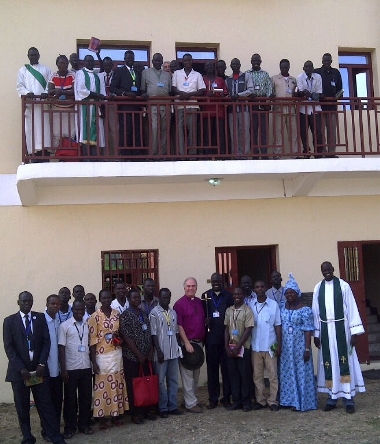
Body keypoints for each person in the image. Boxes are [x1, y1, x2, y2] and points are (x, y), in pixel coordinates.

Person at [3, 291, 67, 444]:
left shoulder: (39, 318)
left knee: (46, 404)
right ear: (18, 302)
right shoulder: (9, 321)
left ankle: (54, 435)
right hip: (20, 373)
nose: (27, 303)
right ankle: (28, 437)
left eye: (29, 301)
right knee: (22, 406)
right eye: (24, 301)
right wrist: (21, 368)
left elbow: (47, 342)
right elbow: (9, 347)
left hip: (39, 371)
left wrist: (41, 363)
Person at [312, 261, 365, 413]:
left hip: (342, 328)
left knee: (344, 362)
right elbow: (315, 312)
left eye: (329, 269)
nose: (327, 272)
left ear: (333, 269)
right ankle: (332, 398)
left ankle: (348, 399)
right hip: (325, 330)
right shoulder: (318, 288)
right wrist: (316, 333)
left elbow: (352, 307)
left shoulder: (343, 286)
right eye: (324, 270)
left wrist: (354, 332)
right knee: (329, 364)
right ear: (321, 271)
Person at [88, 289, 129, 428]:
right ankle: (102, 418)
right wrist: (94, 361)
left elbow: (120, 332)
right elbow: (92, 341)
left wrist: (120, 340)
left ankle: (115, 415)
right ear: (100, 300)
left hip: (116, 354)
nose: (106, 300)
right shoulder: (94, 317)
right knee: (103, 387)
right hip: (102, 356)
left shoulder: (117, 314)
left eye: (108, 298)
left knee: (116, 384)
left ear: (111, 299)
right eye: (103, 298)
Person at [279, 274, 317, 412]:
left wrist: (307, 349)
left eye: (292, 292)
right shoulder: (281, 307)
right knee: (287, 372)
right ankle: (288, 400)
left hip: (300, 346)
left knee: (301, 373)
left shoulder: (305, 310)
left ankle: (301, 401)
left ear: (297, 293)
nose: (289, 295)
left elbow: (308, 330)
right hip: (286, 348)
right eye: (287, 292)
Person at [119, 288, 156, 424]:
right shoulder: (125, 315)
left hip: (146, 356)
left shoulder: (143, 313)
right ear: (129, 299)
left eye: (138, 297)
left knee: (146, 383)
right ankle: (135, 413)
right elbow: (126, 337)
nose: (137, 300)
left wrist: (151, 350)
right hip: (133, 357)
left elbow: (149, 332)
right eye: (134, 298)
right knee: (134, 385)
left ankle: (147, 410)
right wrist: (138, 354)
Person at [58, 300, 94, 438]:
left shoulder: (87, 325)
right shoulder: (64, 326)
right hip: (71, 368)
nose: (80, 312)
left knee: (85, 398)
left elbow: (90, 345)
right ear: (73, 310)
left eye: (82, 310)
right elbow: (61, 348)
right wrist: (64, 369)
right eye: (77, 310)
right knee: (70, 399)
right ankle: (70, 427)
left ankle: (84, 424)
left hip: (85, 367)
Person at [173, 277, 206, 413]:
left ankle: (191, 399)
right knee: (187, 375)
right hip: (188, 343)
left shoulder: (199, 302)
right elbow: (179, 325)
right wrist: (186, 343)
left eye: (193, 286)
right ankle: (190, 404)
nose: (190, 288)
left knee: (195, 374)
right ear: (184, 287)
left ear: (196, 288)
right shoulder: (179, 304)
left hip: (199, 343)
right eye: (188, 286)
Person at [149, 288, 183, 418]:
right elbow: (153, 334)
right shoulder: (154, 313)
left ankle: (173, 406)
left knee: (173, 380)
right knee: (161, 382)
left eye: (168, 297)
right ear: (159, 297)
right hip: (161, 354)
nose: (166, 300)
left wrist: (179, 346)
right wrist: (158, 351)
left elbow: (175, 332)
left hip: (173, 352)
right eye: (163, 297)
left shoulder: (173, 313)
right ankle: (163, 408)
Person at [249, 280, 282, 411]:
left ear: (265, 288)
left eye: (262, 286)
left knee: (273, 375)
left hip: (270, 346)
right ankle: (260, 400)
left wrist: (279, 344)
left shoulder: (273, 305)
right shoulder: (251, 305)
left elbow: (278, 325)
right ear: (254, 289)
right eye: (257, 287)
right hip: (256, 346)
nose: (260, 289)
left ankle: (273, 401)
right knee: (257, 376)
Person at [202, 272, 233, 409]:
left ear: (222, 281)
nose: (216, 283)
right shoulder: (205, 296)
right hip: (211, 340)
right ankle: (213, 399)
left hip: (225, 340)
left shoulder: (229, 296)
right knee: (212, 371)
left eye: (218, 281)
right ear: (211, 282)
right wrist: (205, 322)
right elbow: (201, 315)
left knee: (226, 371)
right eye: (214, 281)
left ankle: (226, 398)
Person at [17, 47, 51, 159]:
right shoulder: (23, 70)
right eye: (31, 55)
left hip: (43, 106)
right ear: (28, 56)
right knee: (31, 130)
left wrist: (46, 93)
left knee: (44, 129)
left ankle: (44, 153)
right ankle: (33, 155)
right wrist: (27, 92)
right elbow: (20, 86)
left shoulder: (46, 70)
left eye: (35, 55)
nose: (33, 57)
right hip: (30, 107)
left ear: (39, 55)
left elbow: (50, 85)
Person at [224, 286, 254, 412]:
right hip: (231, 348)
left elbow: (249, 329)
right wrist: (226, 345)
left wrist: (239, 346)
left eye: (239, 294)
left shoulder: (247, 310)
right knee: (233, 375)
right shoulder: (229, 310)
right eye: (235, 294)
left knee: (245, 375)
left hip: (243, 348)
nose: (237, 296)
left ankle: (246, 402)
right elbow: (226, 328)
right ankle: (236, 401)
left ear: (243, 296)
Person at [172, 53, 206, 156]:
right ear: (183, 62)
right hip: (180, 105)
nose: (187, 62)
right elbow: (173, 88)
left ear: (192, 61)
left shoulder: (197, 74)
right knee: (179, 130)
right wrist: (182, 94)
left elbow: (201, 90)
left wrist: (188, 95)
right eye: (185, 61)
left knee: (192, 130)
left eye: (189, 60)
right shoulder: (177, 73)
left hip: (192, 105)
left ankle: (192, 153)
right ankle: (181, 154)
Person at [110, 50, 142, 156]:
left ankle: (136, 155)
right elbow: (113, 88)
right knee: (125, 130)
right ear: (124, 59)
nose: (130, 60)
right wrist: (125, 93)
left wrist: (142, 94)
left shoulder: (136, 72)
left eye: (132, 58)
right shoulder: (119, 71)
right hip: (125, 106)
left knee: (136, 131)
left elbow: (138, 88)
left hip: (136, 106)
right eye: (128, 58)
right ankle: (125, 154)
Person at [74, 54, 106, 159]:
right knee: (84, 131)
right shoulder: (80, 73)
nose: (90, 63)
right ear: (84, 62)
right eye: (88, 61)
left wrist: (102, 101)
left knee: (96, 131)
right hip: (85, 106)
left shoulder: (97, 75)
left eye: (92, 61)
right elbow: (81, 90)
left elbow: (102, 92)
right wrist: (97, 95)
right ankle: (86, 157)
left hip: (96, 107)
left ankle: (95, 157)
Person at [141, 53, 172, 156]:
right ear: (152, 61)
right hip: (152, 104)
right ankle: (153, 153)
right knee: (154, 129)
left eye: (160, 60)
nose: (158, 62)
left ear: (162, 62)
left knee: (164, 129)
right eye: (156, 60)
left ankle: (162, 153)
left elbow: (170, 90)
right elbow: (142, 89)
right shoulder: (145, 72)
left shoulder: (167, 75)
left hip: (165, 104)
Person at [314, 53, 343, 157]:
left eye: (328, 61)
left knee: (331, 131)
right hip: (319, 107)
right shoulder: (316, 72)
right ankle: (322, 152)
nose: (326, 62)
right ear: (322, 61)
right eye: (324, 60)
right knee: (320, 131)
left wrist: (340, 95)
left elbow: (340, 88)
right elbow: (313, 88)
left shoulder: (336, 73)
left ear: (331, 61)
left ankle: (331, 153)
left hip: (332, 107)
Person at [43, 294, 63, 441]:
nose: (55, 306)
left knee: (57, 401)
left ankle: (54, 429)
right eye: (52, 304)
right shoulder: (41, 320)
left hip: (58, 368)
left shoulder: (58, 319)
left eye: (57, 304)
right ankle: (47, 431)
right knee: (46, 402)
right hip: (45, 368)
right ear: (47, 304)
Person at [271, 59, 299, 158]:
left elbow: (296, 92)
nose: (284, 69)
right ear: (280, 67)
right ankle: (277, 153)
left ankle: (294, 153)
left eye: (286, 67)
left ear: (289, 67)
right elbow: (271, 93)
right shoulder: (274, 78)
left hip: (291, 109)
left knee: (293, 132)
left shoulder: (293, 79)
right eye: (282, 67)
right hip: (278, 109)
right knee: (278, 132)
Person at [225, 58, 253, 156]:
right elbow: (226, 93)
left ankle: (245, 153)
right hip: (231, 110)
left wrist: (239, 95)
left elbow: (250, 90)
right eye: (233, 64)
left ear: (240, 65)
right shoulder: (227, 79)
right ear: (231, 66)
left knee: (244, 132)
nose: (235, 66)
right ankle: (236, 154)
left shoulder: (246, 76)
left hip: (244, 109)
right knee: (234, 133)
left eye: (237, 64)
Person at [246, 54, 272, 159]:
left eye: (257, 60)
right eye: (254, 60)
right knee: (252, 130)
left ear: (260, 61)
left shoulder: (265, 74)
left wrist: (267, 100)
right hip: (251, 104)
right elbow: (245, 88)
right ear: (251, 61)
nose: (256, 62)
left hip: (263, 104)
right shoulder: (246, 74)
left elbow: (269, 88)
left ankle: (264, 153)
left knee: (263, 130)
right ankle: (255, 154)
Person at [48, 55, 76, 150]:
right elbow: (49, 91)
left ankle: (69, 154)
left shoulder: (72, 75)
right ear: (57, 64)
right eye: (61, 63)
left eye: (65, 63)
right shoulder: (53, 75)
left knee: (70, 134)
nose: (63, 65)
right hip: (57, 109)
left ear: (68, 64)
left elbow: (74, 90)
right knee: (56, 134)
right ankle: (57, 155)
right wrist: (56, 91)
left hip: (70, 109)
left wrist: (62, 92)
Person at [296, 61, 323, 158]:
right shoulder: (300, 77)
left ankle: (318, 151)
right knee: (303, 132)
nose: (308, 68)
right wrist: (308, 94)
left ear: (313, 68)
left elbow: (319, 93)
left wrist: (310, 94)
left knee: (317, 131)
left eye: (310, 66)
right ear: (304, 68)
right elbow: (301, 91)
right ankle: (306, 151)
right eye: (306, 67)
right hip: (303, 109)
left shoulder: (318, 77)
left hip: (316, 108)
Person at [202, 62, 228, 156]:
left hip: (219, 111)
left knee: (219, 133)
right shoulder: (202, 79)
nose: (209, 68)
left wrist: (220, 94)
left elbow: (225, 92)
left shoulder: (220, 80)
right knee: (207, 134)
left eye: (211, 66)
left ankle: (220, 154)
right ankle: (208, 154)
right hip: (206, 111)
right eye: (207, 66)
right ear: (205, 68)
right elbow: (199, 92)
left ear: (214, 68)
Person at [99, 56, 118, 156]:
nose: (107, 67)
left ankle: (115, 155)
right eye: (105, 65)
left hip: (112, 106)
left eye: (109, 65)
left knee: (114, 130)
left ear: (112, 65)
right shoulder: (99, 76)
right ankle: (105, 156)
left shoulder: (116, 75)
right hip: (101, 105)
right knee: (103, 131)